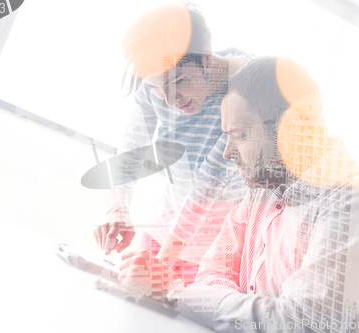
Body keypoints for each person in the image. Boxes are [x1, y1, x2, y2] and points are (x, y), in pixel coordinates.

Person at [173, 56, 359, 333]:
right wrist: (251, 315)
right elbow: (212, 274)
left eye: (239, 135)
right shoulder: (263, 188)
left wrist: (185, 296)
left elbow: (298, 324)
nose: (227, 153)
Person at [94, 2, 249, 296]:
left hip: (216, 258)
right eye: (155, 89)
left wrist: (163, 264)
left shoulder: (250, 86)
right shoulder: (158, 70)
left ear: (206, 54)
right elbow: (132, 147)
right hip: (160, 234)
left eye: (178, 82)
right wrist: (117, 209)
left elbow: (210, 181)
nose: (168, 101)